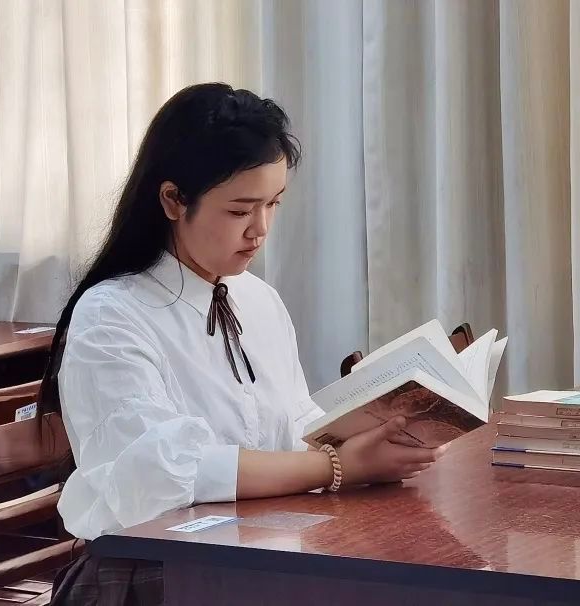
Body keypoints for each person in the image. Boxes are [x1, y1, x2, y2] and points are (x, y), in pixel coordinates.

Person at [38, 83, 446, 604]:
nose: (260, 229)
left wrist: (371, 429)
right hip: (155, 573)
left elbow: (290, 430)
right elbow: (166, 473)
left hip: (253, 552)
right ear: (172, 200)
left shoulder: (257, 299)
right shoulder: (111, 314)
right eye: (239, 211)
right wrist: (339, 466)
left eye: (273, 204)